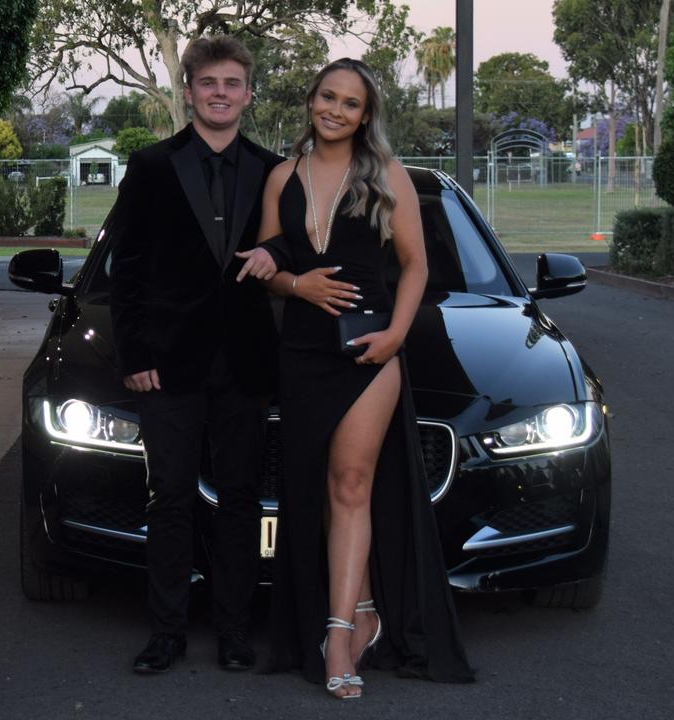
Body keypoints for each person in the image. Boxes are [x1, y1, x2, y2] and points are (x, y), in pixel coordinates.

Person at [235, 58, 475, 698]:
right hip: (303, 352)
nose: (335, 110)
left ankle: (337, 632)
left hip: (370, 352)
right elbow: (270, 260)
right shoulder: (282, 176)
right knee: (315, 490)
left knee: (350, 484)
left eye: (350, 103)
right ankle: (364, 610)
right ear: (311, 100)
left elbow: (416, 266)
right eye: (326, 97)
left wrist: (397, 335)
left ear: (366, 115)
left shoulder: (386, 174)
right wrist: (293, 281)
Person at [106, 36, 282, 675]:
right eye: (209, 82)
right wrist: (134, 352)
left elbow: (294, 248)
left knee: (239, 500)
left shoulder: (271, 168)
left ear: (247, 94)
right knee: (170, 499)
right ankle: (167, 634)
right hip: (167, 363)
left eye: (232, 83)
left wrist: (279, 256)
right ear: (188, 90)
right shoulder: (150, 165)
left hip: (246, 364)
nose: (220, 93)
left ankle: (234, 634)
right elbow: (126, 269)